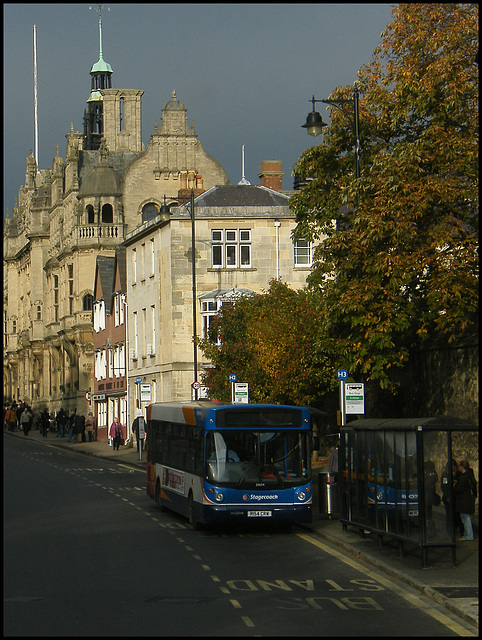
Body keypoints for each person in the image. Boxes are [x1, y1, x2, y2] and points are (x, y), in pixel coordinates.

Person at [453, 459, 476, 541]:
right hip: (467, 499)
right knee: (466, 517)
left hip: (463, 500)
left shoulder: (463, 477)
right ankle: (468, 535)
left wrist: (454, 485)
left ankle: (468, 535)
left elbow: (460, 489)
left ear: (462, 467)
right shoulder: (468, 474)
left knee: (465, 518)